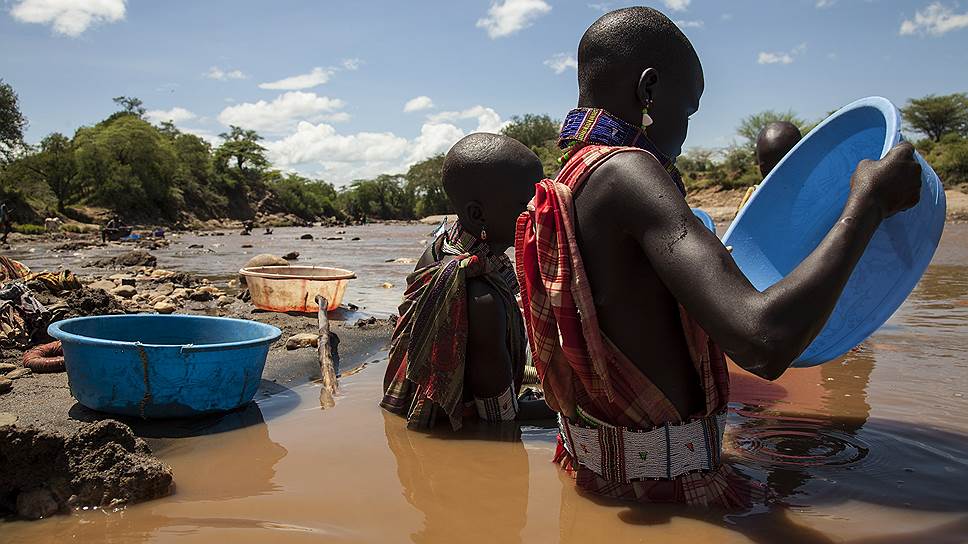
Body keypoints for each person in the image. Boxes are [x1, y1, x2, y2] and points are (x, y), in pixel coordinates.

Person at [515, 6, 921, 508]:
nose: (684, 137)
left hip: (604, 483)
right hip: (674, 497)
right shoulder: (629, 174)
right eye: (686, 111)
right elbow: (762, 342)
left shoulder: (569, 181)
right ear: (649, 91)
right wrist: (869, 203)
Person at [381, 133, 553, 430]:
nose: (539, 211)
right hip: (456, 423)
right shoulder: (481, 298)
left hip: (405, 402)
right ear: (478, 214)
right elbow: (502, 418)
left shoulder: (440, 247)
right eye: (527, 202)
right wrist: (570, 408)